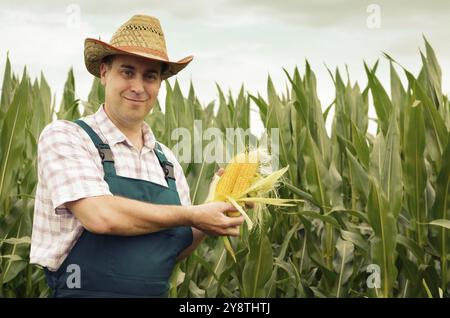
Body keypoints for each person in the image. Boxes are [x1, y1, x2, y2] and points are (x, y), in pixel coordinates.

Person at [30, 14, 244, 298]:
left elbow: (174, 248)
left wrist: (211, 210)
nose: (138, 86)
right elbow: (100, 216)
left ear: (159, 85)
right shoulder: (68, 137)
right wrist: (193, 214)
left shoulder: (166, 161)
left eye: (150, 76)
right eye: (127, 72)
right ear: (104, 73)